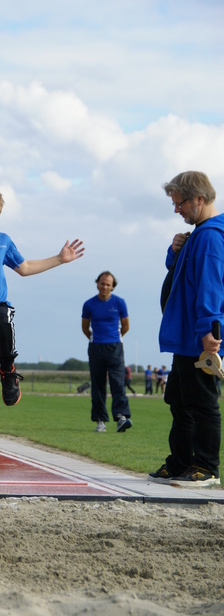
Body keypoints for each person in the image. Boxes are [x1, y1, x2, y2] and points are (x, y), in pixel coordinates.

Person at [0, 187, 85, 480]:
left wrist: (59, 259)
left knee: (3, 314)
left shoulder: (3, 241)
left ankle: (8, 370)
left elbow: (24, 267)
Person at [149, 171, 222, 487]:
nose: (176, 210)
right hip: (184, 338)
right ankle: (179, 462)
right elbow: (180, 275)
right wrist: (174, 252)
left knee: (202, 404)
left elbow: (211, 286)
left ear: (199, 199)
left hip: (198, 339)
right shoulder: (197, 236)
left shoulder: (210, 237)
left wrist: (209, 330)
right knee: (178, 401)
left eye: (180, 203)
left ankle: (206, 467)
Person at [81, 271, 133, 433]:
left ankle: (121, 417)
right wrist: (95, 339)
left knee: (118, 382)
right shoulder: (89, 304)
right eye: (102, 283)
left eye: (108, 284)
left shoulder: (119, 303)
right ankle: (100, 420)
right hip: (96, 346)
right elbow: (85, 327)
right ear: (97, 283)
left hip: (115, 346)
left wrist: (114, 338)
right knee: (98, 384)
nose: (105, 287)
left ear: (112, 287)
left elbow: (126, 326)